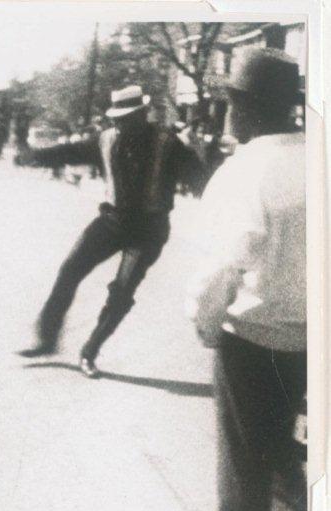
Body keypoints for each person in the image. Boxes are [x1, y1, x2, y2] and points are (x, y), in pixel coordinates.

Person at [187, 48, 307, 511]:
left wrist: (207, 326)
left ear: (243, 107)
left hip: (254, 348)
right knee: (293, 473)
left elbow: (220, 272)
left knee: (243, 491)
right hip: (314, 348)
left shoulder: (245, 171)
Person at [17, 85, 210, 377]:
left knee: (121, 292)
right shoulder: (107, 139)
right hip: (112, 222)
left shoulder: (168, 144)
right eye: (116, 118)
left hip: (149, 230)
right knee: (70, 270)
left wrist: (209, 177)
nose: (119, 124)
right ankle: (46, 339)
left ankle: (90, 352)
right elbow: (70, 151)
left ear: (143, 115)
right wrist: (34, 157)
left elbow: (202, 181)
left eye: (127, 117)